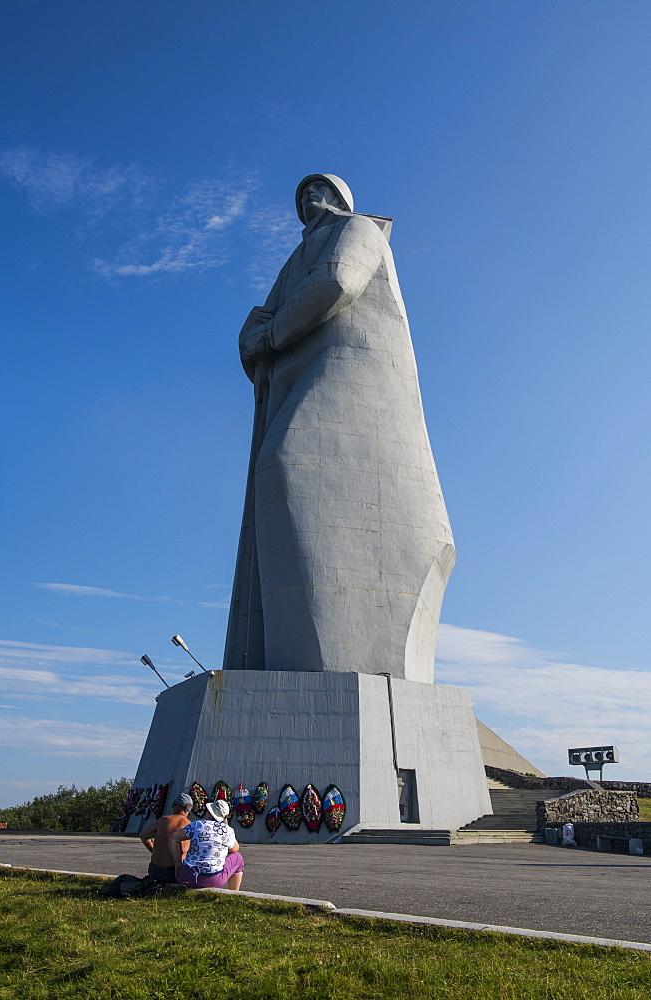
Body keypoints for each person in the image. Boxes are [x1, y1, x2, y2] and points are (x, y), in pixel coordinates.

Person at [223, 173, 455, 683]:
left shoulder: (358, 231)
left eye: (320, 189)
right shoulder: (292, 261)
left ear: (342, 199)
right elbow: (256, 320)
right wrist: (257, 337)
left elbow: (336, 282)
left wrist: (273, 334)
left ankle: (337, 657)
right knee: (276, 472)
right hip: (300, 372)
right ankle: (285, 657)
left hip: (352, 372)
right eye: (303, 191)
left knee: (284, 460)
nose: (309, 197)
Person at [168, 799, 244, 891]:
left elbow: (173, 837)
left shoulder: (198, 824)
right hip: (213, 879)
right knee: (238, 858)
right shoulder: (227, 830)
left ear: (210, 813)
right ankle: (234, 893)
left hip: (187, 877)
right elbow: (234, 849)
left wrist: (178, 863)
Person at [139, 792, 193, 884]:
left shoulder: (163, 820)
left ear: (176, 807)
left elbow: (143, 835)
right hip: (172, 873)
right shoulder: (190, 825)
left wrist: (154, 850)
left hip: (154, 871)